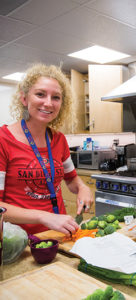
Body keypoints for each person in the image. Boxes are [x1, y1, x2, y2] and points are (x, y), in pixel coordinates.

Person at [0, 64, 93, 235]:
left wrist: (83, 188)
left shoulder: (59, 140)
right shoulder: (3, 140)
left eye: (56, 97)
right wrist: (43, 217)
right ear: (24, 98)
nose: (48, 103)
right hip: (20, 242)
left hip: (58, 235)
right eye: (40, 94)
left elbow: (71, 180)